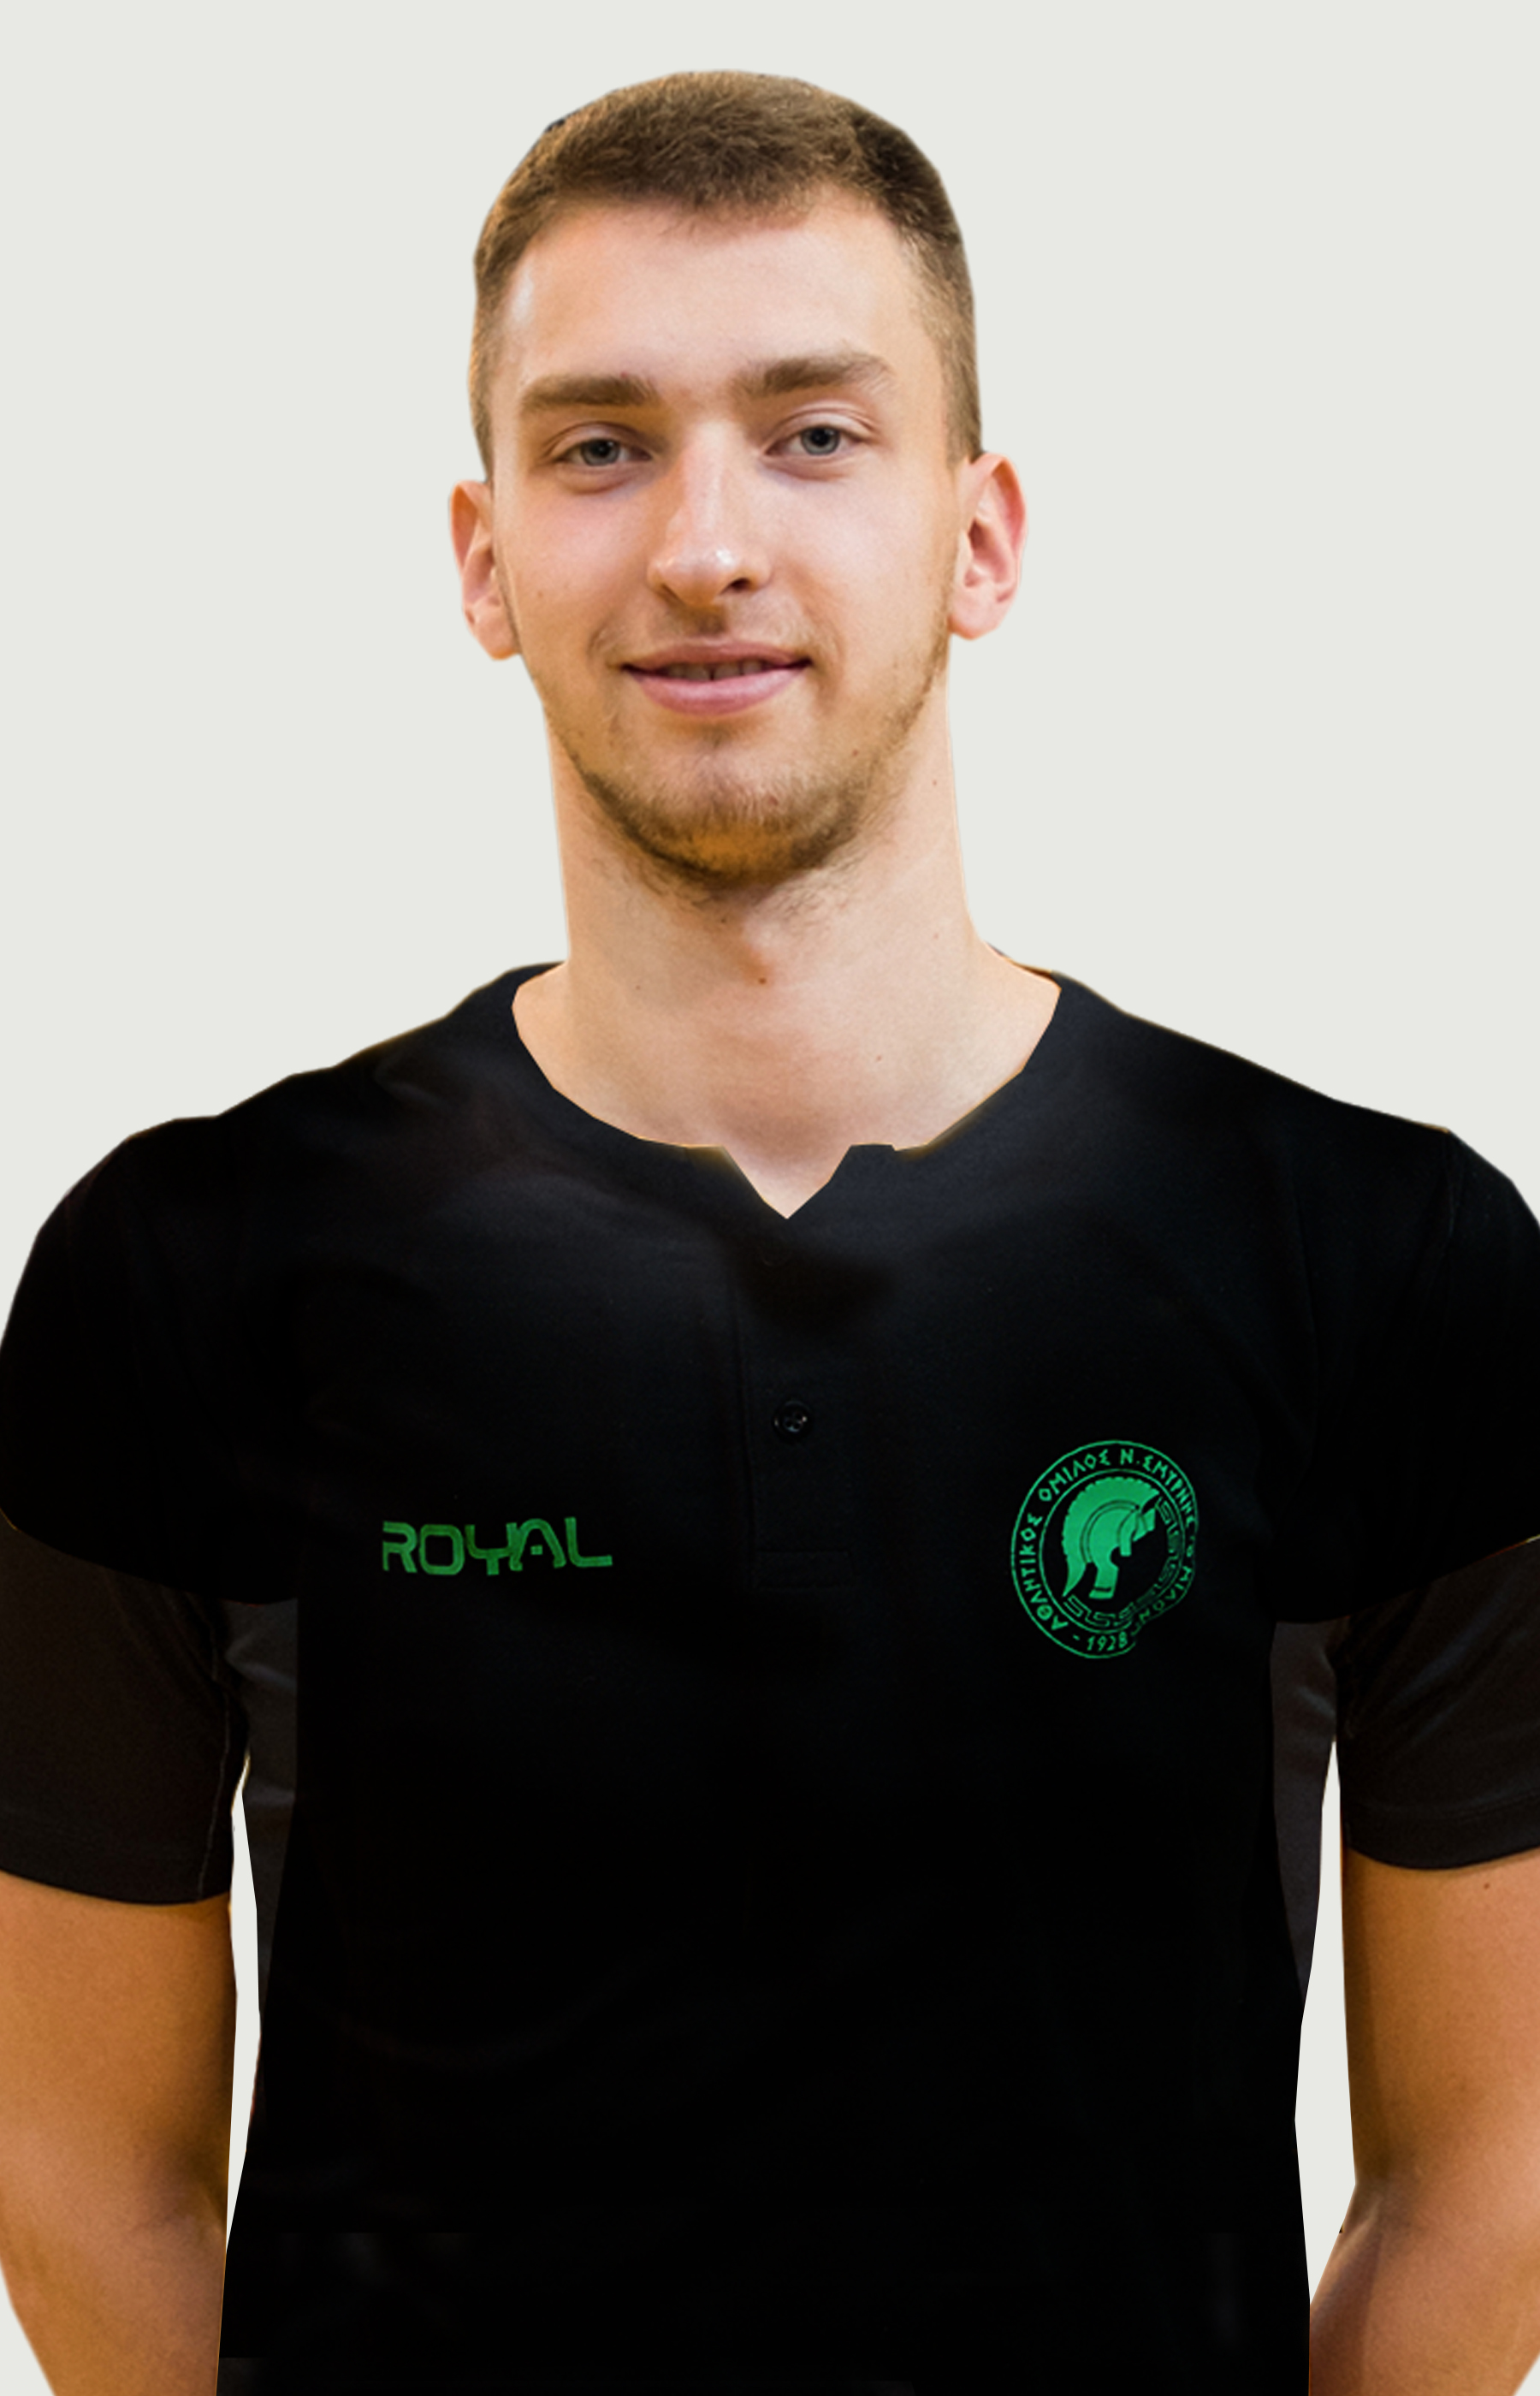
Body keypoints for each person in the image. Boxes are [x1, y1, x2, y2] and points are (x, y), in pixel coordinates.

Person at [1, 68, 1538, 2396]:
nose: (706, 543)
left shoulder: (1381, 1265)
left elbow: (1487, 2185)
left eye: (816, 434)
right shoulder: (182, 1277)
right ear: (483, 557)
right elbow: (77, 2176)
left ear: (980, 535)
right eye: (600, 446)